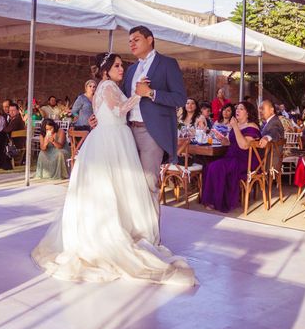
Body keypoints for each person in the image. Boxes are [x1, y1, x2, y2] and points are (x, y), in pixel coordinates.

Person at [32, 52, 195, 286]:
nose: (122, 68)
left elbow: (109, 111)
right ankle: (111, 234)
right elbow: (119, 111)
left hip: (113, 136)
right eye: (117, 65)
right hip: (112, 139)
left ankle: (130, 229)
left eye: (121, 64)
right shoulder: (107, 85)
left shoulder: (107, 85)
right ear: (106, 70)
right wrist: (139, 95)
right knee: (112, 188)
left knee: (118, 189)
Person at [123, 25, 188, 227]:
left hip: (152, 133)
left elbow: (180, 98)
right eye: (130, 41)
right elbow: (123, 99)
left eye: (136, 39)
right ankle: (133, 231)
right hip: (127, 131)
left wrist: (151, 93)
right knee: (130, 184)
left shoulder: (167, 64)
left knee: (148, 183)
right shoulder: (131, 69)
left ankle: (151, 235)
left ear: (150, 39)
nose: (132, 44)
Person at [202, 101, 262, 212]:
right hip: (232, 157)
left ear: (248, 113)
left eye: (241, 109)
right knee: (208, 165)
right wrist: (222, 139)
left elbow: (244, 145)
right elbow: (230, 143)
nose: (237, 111)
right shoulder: (237, 125)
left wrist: (235, 127)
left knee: (216, 167)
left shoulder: (252, 126)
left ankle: (217, 201)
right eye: (237, 108)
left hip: (245, 160)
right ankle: (211, 199)